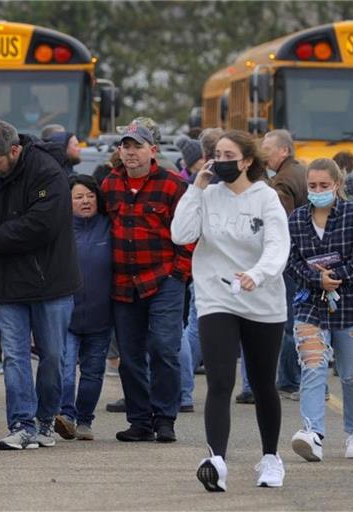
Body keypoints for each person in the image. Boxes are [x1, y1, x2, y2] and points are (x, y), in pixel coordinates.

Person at [171, 129, 290, 491]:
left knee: (263, 382)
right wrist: (196, 188)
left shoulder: (265, 198)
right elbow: (181, 234)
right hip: (216, 298)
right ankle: (216, 461)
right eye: (216, 154)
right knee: (220, 380)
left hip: (262, 300)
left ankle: (270, 458)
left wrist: (257, 274)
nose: (220, 161)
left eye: (228, 155)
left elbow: (277, 246)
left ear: (247, 161)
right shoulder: (206, 195)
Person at [0, 120, 80, 450]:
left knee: (52, 356)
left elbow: (42, 224)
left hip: (51, 281)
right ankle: (21, 423)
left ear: (14, 151)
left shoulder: (47, 171)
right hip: (7, 281)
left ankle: (46, 419)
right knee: (15, 357)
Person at [99, 122, 191, 444]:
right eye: (126, 146)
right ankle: (139, 420)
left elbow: (190, 231)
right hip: (123, 282)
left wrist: (180, 272)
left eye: (137, 146)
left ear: (152, 151)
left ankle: (165, 418)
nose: (131, 152)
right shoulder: (109, 185)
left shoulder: (172, 185)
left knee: (165, 348)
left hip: (164, 278)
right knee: (130, 355)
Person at [287, 158, 353, 461]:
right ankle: (312, 432)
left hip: (352, 304)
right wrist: (316, 278)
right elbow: (291, 261)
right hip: (309, 304)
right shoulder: (296, 219)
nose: (317, 191)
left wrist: (338, 276)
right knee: (313, 367)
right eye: (312, 186)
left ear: (337, 185)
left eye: (323, 185)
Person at [54, 175, 112, 441]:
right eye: (78, 197)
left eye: (90, 196)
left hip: (101, 314)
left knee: (93, 371)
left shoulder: (109, 225)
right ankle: (65, 416)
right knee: (64, 370)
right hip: (66, 314)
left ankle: (85, 420)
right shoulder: (59, 228)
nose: (85, 201)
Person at [177, 127, 223, 412]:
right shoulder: (200, 185)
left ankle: (182, 388)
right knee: (196, 327)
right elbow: (182, 231)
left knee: (195, 327)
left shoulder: (252, 190)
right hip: (206, 269)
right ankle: (183, 388)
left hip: (213, 270)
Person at [261, 129, 308, 399]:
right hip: (303, 258)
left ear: (284, 151)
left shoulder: (283, 181)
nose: (264, 153)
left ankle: (292, 380)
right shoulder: (298, 172)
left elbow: (280, 223)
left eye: (269, 149)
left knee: (291, 321)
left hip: (291, 260)